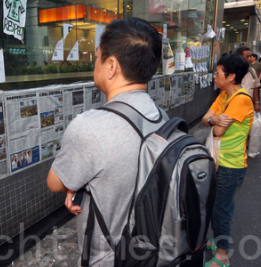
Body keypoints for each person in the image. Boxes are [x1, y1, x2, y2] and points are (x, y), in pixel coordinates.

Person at [46, 18, 163, 266]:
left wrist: (75, 183)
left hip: (108, 258)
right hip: (151, 251)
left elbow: (55, 182)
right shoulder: (161, 117)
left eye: (97, 57)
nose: (94, 65)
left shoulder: (90, 127)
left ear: (111, 66)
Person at [202, 54, 254, 267]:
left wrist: (213, 121)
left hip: (231, 166)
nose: (214, 76)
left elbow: (218, 130)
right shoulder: (223, 96)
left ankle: (222, 256)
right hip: (217, 161)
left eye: (218, 73)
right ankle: (216, 241)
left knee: (221, 209)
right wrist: (214, 119)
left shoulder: (241, 99)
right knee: (213, 204)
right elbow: (207, 119)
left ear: (232, 76)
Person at [235, 47, 261, 112]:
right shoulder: (232, 72)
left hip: (249, 107)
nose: (250, 59)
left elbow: (255, 88)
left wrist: (257, 103)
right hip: (235, 106)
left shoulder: (252, 71)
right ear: (240, 58)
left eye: (250, 56)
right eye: (247, 57)